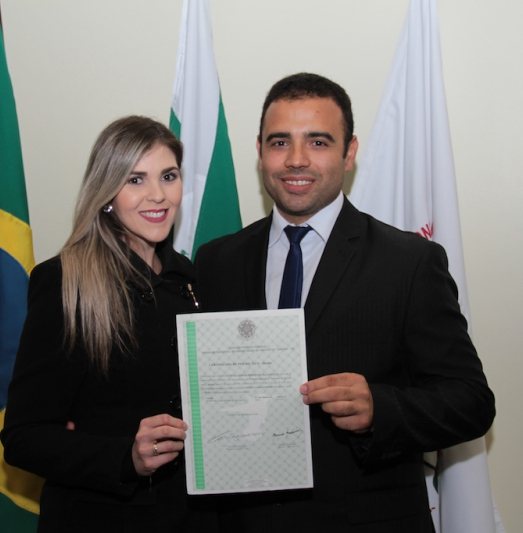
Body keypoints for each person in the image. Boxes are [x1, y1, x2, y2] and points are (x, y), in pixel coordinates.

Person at [194, 73, 495, 532]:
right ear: (259, 151)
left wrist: (380, 408)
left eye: (318, 142)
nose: (296, 159)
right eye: (280, 142)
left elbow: (471, 402)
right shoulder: (216, 260)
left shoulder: (409, 262)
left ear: (349, 152)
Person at [1, 116, 214, 532]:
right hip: (102, 518)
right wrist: (125, 458)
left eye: (168, 176)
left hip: (193, 518)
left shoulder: (191, 281)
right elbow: (24, 437)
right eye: (135, 180)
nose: (158, 195)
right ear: (107, 193)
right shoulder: (67, 283)